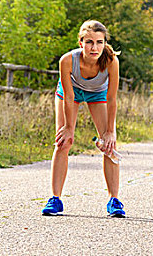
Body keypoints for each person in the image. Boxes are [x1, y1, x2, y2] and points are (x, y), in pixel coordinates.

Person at [42, 20, 125, 218]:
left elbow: (112, 98)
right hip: (70, 92)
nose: (94, 47)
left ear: (104, 43)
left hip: (98, 94)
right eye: (89, 42)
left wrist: (110, 131)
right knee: (63, 142)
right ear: (80, 43)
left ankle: (114, 200)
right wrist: (69, 128)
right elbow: (69, 98)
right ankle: (55, 199)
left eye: (99, 42)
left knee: (109, 144)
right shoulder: (67, 60)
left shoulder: (112, 61)